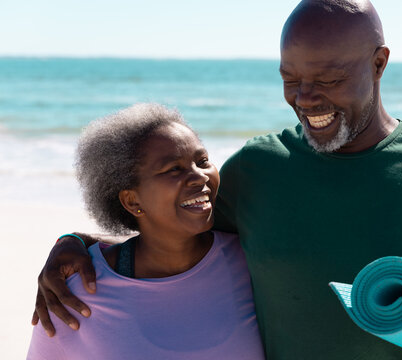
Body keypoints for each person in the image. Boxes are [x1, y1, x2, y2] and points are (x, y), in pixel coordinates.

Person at [32, 1, 402, 359]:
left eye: (328, 79)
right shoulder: (257, 169)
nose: (305, 98)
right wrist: (78, 241)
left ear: (379, 63)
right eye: (290, 79)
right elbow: (177, 237)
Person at [27, 103, 264, 359]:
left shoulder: (252, 259)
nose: (199, 177)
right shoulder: (74, 293)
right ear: (132, 201)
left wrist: (71, 239)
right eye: (174, 169)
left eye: (202, 161)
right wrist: (70, 239)